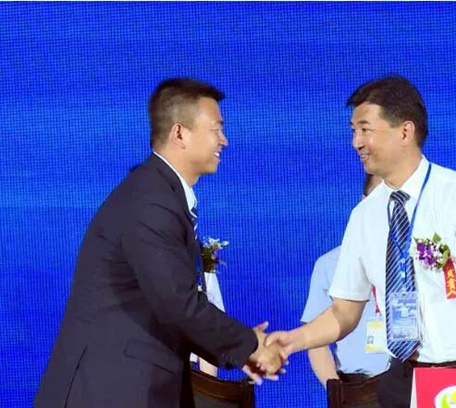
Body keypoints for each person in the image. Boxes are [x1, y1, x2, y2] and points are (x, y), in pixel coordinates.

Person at [267, 75, 456, 408]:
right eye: (353, 131)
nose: (356, 142)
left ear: (405, 131)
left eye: (365, 129)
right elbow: (344, 311)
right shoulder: (364, 216)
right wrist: (293, 341)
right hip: (403, 378)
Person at [36, 78, 284, 408]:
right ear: (179, 133)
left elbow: (168, 306)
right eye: (216, 128)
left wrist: (239, 352)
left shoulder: (158, 193)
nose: (223, 140)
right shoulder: (151, 201)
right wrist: (249, 346)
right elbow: (176, 302)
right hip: (109, 390)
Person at [301, 174, 388, 387]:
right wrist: (336, 392)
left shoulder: (421, 258)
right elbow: (317, 341)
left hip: (415, 383)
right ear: (363, 202)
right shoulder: (330, 264)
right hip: (356, 386)